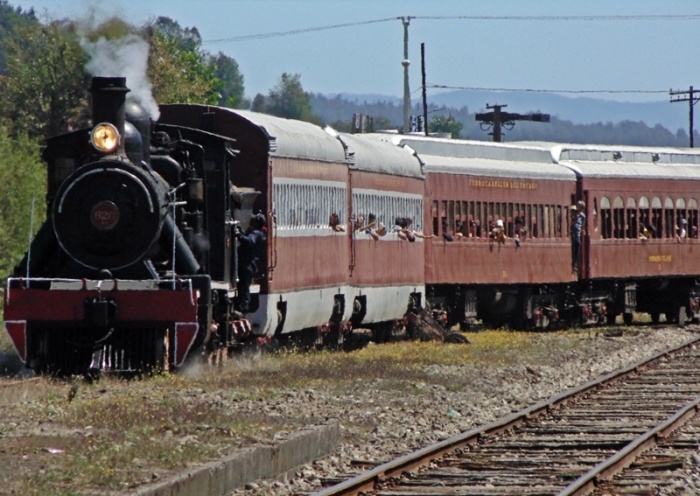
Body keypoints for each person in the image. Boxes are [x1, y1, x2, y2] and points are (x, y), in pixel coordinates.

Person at [234, 212, 267, 317]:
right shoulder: (261, 235)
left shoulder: (256, 233)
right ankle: (242, 308)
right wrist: (241, 231)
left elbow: (249, 241)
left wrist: (238, 235)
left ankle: (242, 308)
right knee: (244, 286)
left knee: (244, 288)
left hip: (247, 264)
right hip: (250, 264)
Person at [570, 203, 586, 273]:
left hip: (577, 234)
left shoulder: (582, 216)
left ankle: (576, 265)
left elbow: (583, 224)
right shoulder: (575, 215)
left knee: (577, 245)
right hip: (573, 232)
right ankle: (575, 265)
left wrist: (581, 229)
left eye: (579, 206)